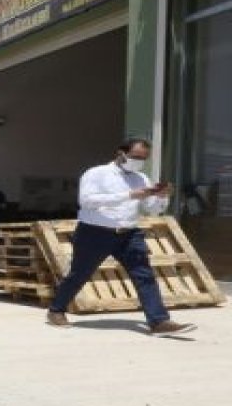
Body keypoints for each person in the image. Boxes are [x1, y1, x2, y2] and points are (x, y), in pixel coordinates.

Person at [46, 139, 195, 335]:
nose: (139, 161)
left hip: (129, 234)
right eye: (135, 157)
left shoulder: (141, 178)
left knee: (145, 276)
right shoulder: (96, 173)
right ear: (121, 153)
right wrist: (130, 195)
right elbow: (87, 201)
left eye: (143, 158)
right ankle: (56, 310)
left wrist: (161, 196)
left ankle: (159, 322)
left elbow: (151, 209)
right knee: (79, 274)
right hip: (95, 232)